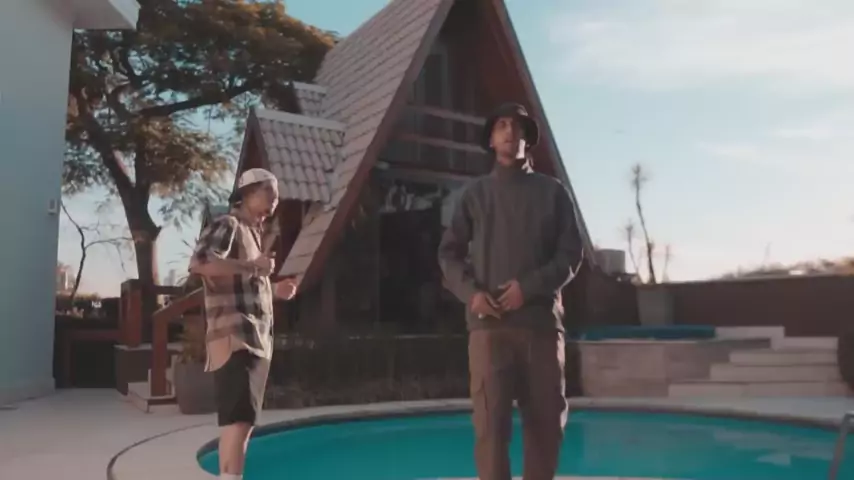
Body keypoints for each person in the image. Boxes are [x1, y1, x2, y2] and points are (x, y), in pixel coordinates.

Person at [438, 103, 584, 480]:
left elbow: (570, 254)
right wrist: (472, 294)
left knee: (546, 428)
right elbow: (449, 254)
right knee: (490, 431)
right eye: (501, 125)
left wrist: (528, 288)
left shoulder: (553, 193)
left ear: (526, 139)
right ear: (491, 139)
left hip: (541, 328)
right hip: (489, 331)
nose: (509, 131)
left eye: (517, 126)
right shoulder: (474, 195)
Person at [189, 168, 298, 480]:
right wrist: (253, 266)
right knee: (239, 423)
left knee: (237, 423)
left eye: (277, 197)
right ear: (248, 193)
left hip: (252, 339)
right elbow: (201, 262)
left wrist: (273, 290)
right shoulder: (229, 224)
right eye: (270, 194)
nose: (274, 202)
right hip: (238, 339)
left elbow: (241, 283)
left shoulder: (252, 234)